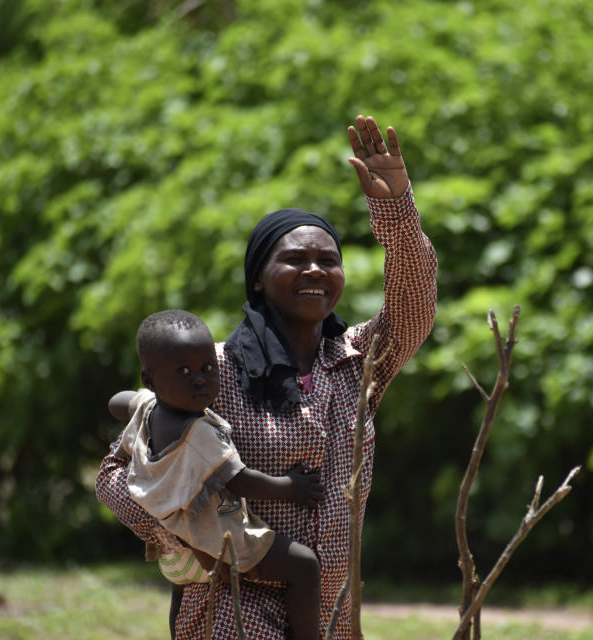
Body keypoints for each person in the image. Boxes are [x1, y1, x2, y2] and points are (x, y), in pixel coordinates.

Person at [96, 114, 438, 639]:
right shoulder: (212, 372)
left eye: (329, 260)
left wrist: (395, 205)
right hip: (233, 608)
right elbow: (117, 476)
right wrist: (183, 543)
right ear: (259, 277)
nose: (315, 270)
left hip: (330, 614)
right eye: (295, 259)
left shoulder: (357, 363)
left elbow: (414, 306)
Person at [109, 309, 324, 640]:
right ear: (151, 378)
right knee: (305, 566)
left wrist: (144, 398)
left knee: (182, 606)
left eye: (208, 368)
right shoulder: (199, 436)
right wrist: (291, 486)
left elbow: (116, 401)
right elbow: (240, 481)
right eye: (183, 371)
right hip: (215, 544)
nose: (199, 379)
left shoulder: (148, 407)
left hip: (174, 557)